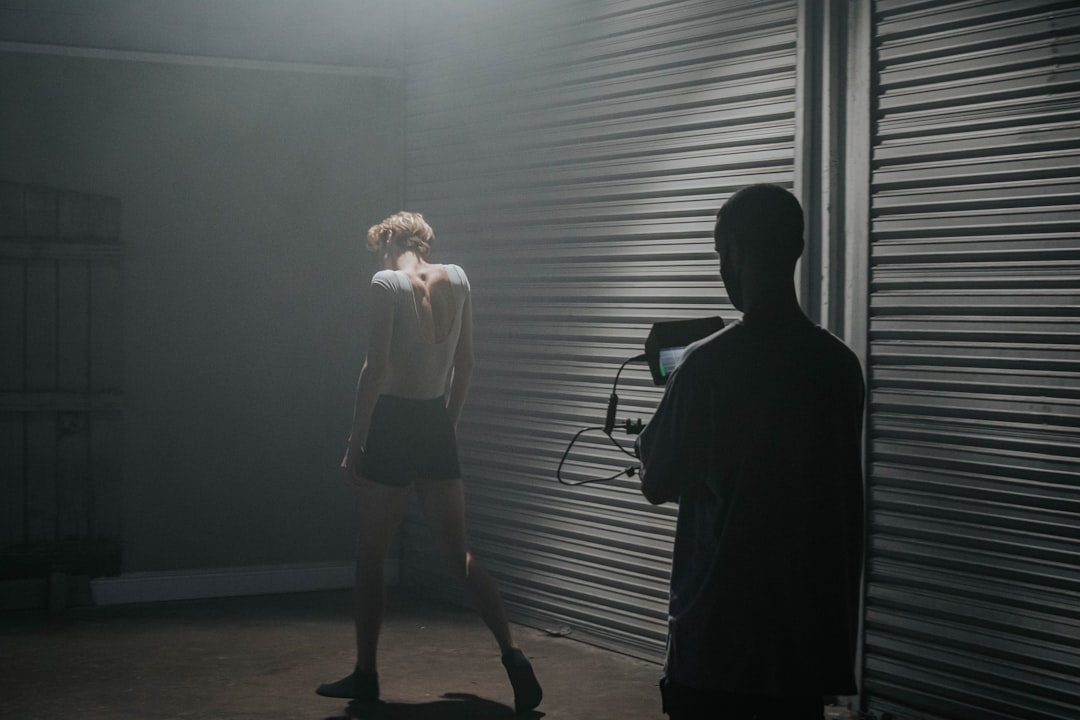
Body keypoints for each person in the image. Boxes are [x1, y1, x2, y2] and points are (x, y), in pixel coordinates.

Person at [635, 185, 865, 720]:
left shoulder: (704, 366)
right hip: (802, 654)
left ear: (737, 252)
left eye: (721, 255)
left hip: (720, 653)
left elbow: (657, 480)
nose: (721, 270)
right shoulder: (840, 366)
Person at [317, 211, 542, 713]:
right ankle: (514, 655)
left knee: (372, 555)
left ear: (391, 240)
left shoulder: (385, 282)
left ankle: (366, 676)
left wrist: (356, 442)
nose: (379, 254)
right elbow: (467, 366)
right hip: (433, 423)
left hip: (394, 421)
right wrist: (447, 427)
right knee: (458, 555)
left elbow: (375, 370)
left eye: (380, 245)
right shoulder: (459, 278)